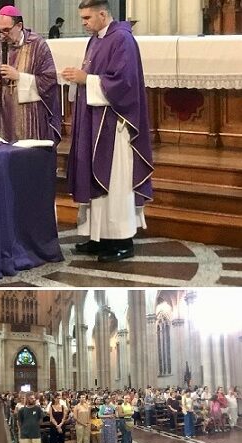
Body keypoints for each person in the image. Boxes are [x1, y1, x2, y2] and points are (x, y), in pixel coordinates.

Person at [62, 0, 153, 262]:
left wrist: (85, 79)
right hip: (95, 120)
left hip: (114, 125)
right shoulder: (97, 39)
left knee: (115, 181)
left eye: (88, 18)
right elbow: (91, 74)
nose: (84, 23)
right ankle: (97, 236)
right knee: (95, 178)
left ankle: (122, 240)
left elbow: (123, 83)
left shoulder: (122, 39)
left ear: (103, 14)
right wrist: (78, 78)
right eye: (82, 18)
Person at [0, 5, 61, 144]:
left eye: (6, 30)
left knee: (27, 159)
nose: (2, 36)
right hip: (2, 115)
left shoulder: (38, 45)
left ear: (19, 26)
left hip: (30, 116)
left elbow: (49, 80)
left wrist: (19, 77)